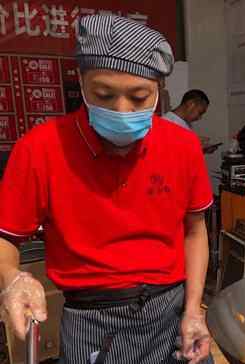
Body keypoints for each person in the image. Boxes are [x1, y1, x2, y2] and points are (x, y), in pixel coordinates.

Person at [0, 15, 213, 364]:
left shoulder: (182, 146)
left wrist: (194, 309)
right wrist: (11, 276)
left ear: (159, 90)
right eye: (104, 94)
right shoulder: (41, 148)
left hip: (173, 312)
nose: (121, 109)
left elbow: (194, 229)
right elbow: (6, 236)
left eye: (139, 96)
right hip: (92, 320)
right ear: (82, 82)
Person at [164, 90, 219, 154]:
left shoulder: (184, 123)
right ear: (190, 104)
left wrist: (202, 150)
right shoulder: (166, 122)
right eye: (200, 113)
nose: (200, 117)